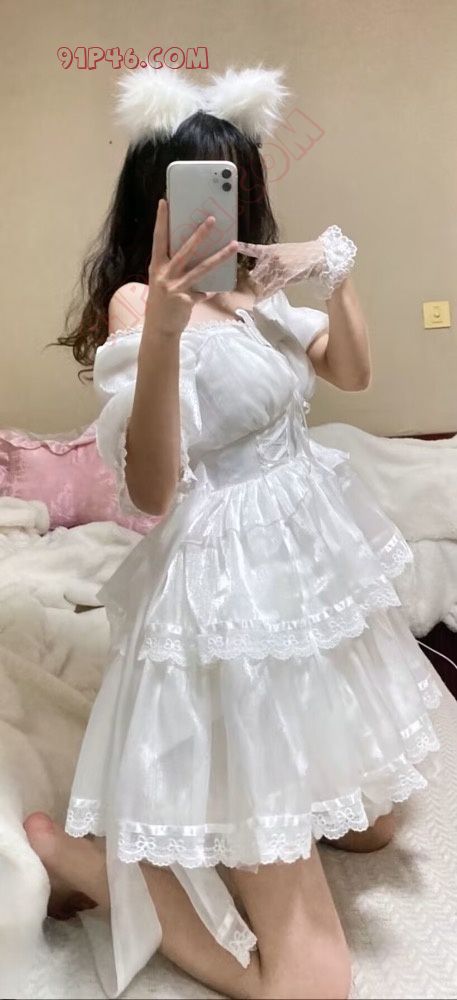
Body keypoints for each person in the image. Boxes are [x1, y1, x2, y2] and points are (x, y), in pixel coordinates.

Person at [24, 66, 441, 1000]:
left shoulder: (261, 293)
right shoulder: (140, 306)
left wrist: (333, 269)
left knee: (373, 828)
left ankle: (210, 826)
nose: (225, 206)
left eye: (237, 184)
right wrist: (166, 331)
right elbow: (150, 490)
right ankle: (82, 860)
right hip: (229, 591)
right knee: (314, 985)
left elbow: (352, 373)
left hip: (307, 561)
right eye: (201, 187)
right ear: (158, 198)